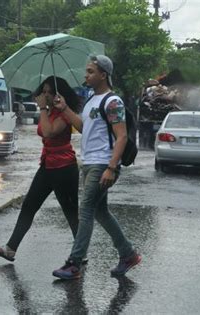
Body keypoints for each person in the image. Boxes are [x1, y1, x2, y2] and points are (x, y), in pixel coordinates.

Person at [51, 55, 141, 280]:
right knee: (100, 211)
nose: (86, 75)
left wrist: (112, 167)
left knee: (87, 209)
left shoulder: (113, 102)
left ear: (103, 74)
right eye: (87, 71)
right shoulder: (91, 100)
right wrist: (64, 109)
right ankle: (128, 254)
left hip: (103, 163)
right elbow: (84, 127)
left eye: (91, 71)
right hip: (90, 162)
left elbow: (121, 137)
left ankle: (74, 263)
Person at [0, 76, 81, 262]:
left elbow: (48, 131)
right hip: (47, 164)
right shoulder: (50, 112)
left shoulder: (63, 113)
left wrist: (42, 109)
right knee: (29, 205)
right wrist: (45, 110)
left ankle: (81, 251)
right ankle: (11, 248)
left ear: (58, 94)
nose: (45, 95)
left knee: (70, 211)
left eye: (49, 92)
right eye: (43, 91)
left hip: (64, 167)